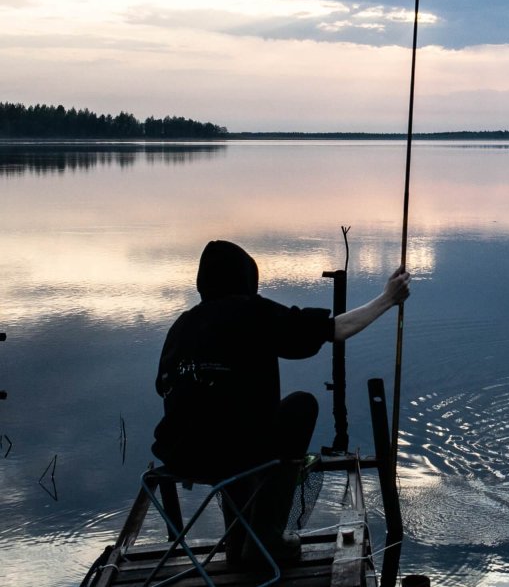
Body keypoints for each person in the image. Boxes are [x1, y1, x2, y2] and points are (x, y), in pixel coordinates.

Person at [151, 240, 410, 564]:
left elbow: (163, 388)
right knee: (301, 407)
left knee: (228, 426)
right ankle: (266, 538)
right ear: (246, 279)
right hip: (230, 456)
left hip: (181, 456)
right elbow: (336, 329)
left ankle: (238, 545)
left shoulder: (180, 327)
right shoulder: (253, 312)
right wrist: (388, 298)